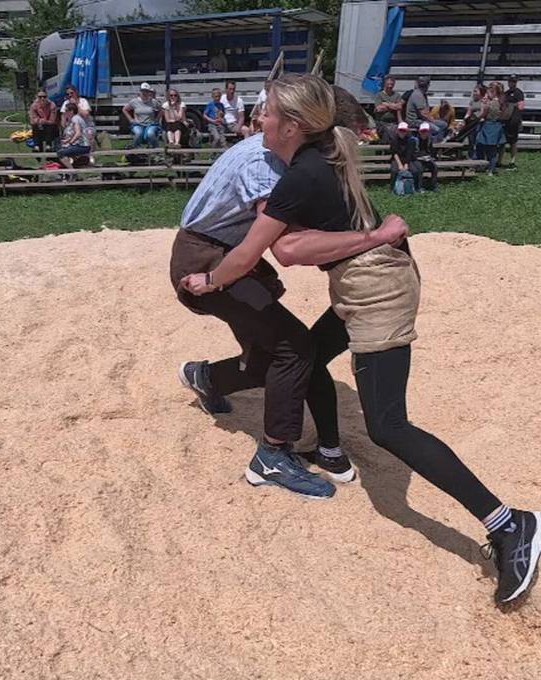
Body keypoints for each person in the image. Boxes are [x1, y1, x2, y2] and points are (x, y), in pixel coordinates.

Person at [182, 73, 541, 607]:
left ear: (295, 126)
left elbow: (274, 253)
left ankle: (509, 523)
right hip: (370, 278)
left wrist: (208, 282)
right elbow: (344, 117)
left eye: (270, 112)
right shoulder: (328, 144)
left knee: (388, 425)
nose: (261, 119)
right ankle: (317, 440)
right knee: (302, 355)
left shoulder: (299, 176)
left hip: (377, 292)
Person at [171, 86, 409, 500]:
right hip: (207, 257)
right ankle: (272, 456)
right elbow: (283, 248)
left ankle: (208, 378)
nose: (261, 119)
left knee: (277, 354)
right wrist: (373, 237)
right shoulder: (270, 167)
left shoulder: (288, 155)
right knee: (294, 347)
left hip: (222, 252)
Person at [476, 82, 509, 176]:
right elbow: (503, 113)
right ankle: (491, 168)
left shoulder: (491, 102)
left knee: (482, 146)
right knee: (492, 149)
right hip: (497, 124)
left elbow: (483, 114)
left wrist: (482, 106)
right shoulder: (501, 101)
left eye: (490, 90)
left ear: (493, 91)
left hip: (489, 124)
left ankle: (488, 168)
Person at [405, 76, 448, 142]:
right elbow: (423, 113)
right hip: (414, 121)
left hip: (422, 120)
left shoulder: (423, 94)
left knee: (443, 124)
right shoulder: (417, 95)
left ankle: (439, 142)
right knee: (437, 129)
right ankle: (433, 146)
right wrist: (432, 120)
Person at [122, 83, 162, 148]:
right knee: (138, 133)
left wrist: (157, 119)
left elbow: (162, 109)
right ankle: (134, 149)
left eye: (146, 91)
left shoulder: (153, 102)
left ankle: (156, 149)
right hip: (138, 123)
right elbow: (124, 109)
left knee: (150, 134)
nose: (144, 92)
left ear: (149, 92)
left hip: (151, 123)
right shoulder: (134, 101)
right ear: (140, 91)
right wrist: (131, 119)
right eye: (143, 90)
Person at [57, 102, 93, 172]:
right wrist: (67, 141)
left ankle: (72, 171)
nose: (65, 113)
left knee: (60, 153)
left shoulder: (75, 119)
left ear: (71, 111)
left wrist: (70, 142)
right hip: (83, 145)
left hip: (83, 146)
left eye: (66, 110)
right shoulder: (77, 118)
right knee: (64, 149)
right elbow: (75, 134)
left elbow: (78, 133)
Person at [389, 121, 421, 192]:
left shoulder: (411, 140)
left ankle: (416, 188)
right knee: (394, 170)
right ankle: (392, 188)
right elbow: (394, 153)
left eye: (404, 130)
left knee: (415, 171)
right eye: (401, 130)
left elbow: (409, 154)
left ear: (407, 131)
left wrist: (406, 164)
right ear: (397, 131)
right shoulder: (394, 140)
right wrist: (400, 164)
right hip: (397, 159)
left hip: (408, 159)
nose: (402, 132)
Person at [502, 75, 525, 168]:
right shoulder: (506, 93)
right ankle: (500, 160)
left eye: (514, 81)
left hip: (514, 120)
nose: (512, 83)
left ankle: (513, 161)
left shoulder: (519, 93)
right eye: (510, 81)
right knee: (502, 141)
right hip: (506, 119)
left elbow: (521, 106)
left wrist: (512, 105)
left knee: (513, 141)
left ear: (516, 82)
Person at [458, 85, 487, 158]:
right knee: (471, 140)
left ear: (481, 92)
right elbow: (469, 111)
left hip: (479, 122)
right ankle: (471, 156)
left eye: (476, 91)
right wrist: (464, 120)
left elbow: (482, 112)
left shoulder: (483, 101)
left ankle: (477, 156)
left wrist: (477, 118)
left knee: (477, 140)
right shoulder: (472, 101)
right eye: (474, 91)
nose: (474, 93)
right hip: (471, 122)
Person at [373, 76, 403, 142]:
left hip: (393, 122)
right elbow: (379, 109)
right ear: (384, 84)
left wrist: (386, 104)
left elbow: (399, 107)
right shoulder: (379, 95)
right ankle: (384, 147)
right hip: (381, 122)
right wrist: (393, 106)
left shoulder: (397, 95)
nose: (390, 86)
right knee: (388, 131)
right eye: (388, 84)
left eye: (391, 84)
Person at [416, 121, 438, 191]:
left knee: (435, 168)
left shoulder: (430, 139)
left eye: (426, 131)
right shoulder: (415, 140)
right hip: (417, 158)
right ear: (419, 131)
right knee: (420, 169)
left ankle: (433, 186)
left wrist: (431, 157)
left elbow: (431, 151)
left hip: (427, 158)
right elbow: (412, 153)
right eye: (422, 131)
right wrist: (420, 158)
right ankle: (419, 187)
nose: (424, 133)